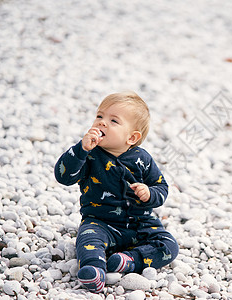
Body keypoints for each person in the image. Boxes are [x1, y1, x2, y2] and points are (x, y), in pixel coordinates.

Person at [54, 92, 179, 293]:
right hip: (100, 223)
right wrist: (80, 150)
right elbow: (64, 176)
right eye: (99, 116)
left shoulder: (142, 158)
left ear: (132, 137)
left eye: (113, 120)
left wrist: (149, 193)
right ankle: (94, 270)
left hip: (140, 224)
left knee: (169, 245)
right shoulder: (89, 155)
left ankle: (129, 261)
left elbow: (162, 188)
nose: (102, 123)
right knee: (87, 239)